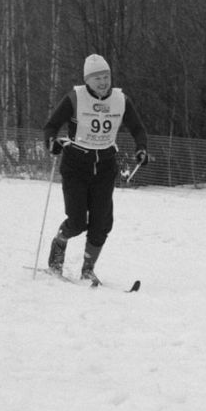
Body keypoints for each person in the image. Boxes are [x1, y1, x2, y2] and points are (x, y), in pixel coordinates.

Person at [42, 54, 149, 283]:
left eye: (106, 76)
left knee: (101, 224)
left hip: (105, 166)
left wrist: (142, 148)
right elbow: (51, 126)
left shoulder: (121, 100)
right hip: (76, 165)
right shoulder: (75, 98)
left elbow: (138, 128)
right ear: (87, 80)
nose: (103, 82)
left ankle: (88, 269)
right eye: (97, 78)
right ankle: (59, 244)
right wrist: (52, 143)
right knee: (78, 222)